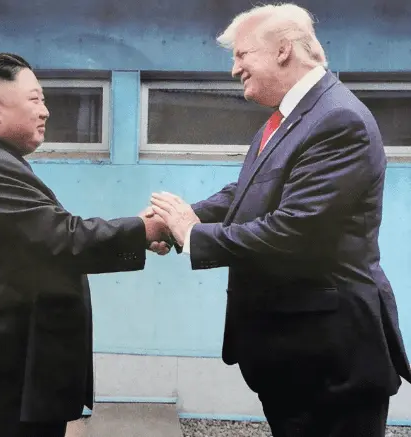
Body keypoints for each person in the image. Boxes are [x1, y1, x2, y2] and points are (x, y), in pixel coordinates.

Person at [151, 4, 411, 436]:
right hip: (296, 355)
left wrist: (194, 235)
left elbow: (293, 233)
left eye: (242, 55)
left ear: (283, 50)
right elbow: (247, 192)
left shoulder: (338, 120)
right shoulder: (290, 118)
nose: (234, 69)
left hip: (331, 359)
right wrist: (177, 220)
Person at [0, 53, 170, 437]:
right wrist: (145, 230)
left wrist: (141, 230)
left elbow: (45, 240)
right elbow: (64, 238)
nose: (45, 111)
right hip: (1, 389)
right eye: (35, 99)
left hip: (5, 380)